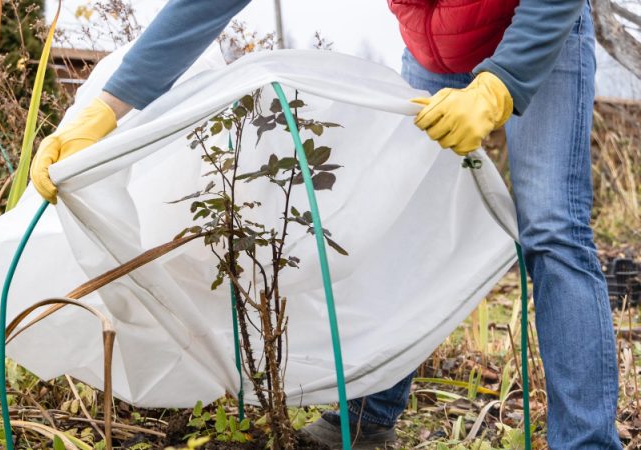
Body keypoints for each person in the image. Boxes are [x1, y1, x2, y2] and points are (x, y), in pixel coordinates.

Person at [30, 1, 622, 448]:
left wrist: (501, 85)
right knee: (399, 218)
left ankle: (586, 440)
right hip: (433, 49)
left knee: (552, 229)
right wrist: (104, 108)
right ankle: (368, 416)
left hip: (534, 28)